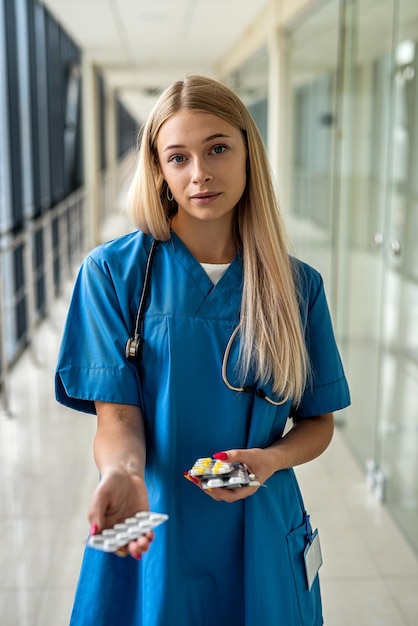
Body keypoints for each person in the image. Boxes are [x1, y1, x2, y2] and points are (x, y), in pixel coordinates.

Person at [55, 74, 350, 626]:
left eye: (217, 148)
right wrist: (121, 474)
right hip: (150, 511)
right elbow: (116, 417)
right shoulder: (112, 275)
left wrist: (272, 459)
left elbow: (319, 422)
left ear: (247, 151)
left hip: (260, 516)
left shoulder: (296, 286)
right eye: (178, 157)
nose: (201, 174)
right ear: (159, 169)